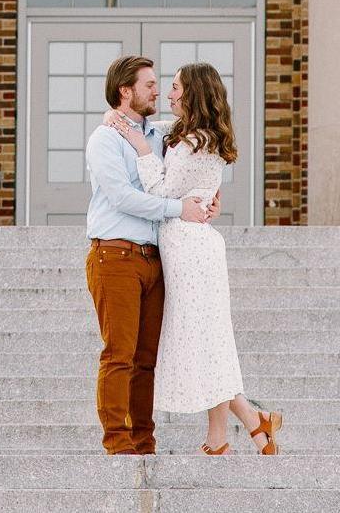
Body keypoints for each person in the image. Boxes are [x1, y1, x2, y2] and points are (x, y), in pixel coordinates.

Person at [105, 62, 283, 456]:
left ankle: (250, 424)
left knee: (203, 340)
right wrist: (118, 117)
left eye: (174, 88)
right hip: (195, 244)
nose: (168, 95)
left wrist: (139, 148)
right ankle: (235, 432)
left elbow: (160, 190)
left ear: (193, 94)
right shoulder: (201, 136)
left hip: (187, 248)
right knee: (209, 340)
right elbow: (165, 130)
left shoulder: (190, 145)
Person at [84, 55, 216, 456]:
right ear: (126, 91)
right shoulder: (103, 140)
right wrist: (181, 209)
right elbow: (124, 197)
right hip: (115, 256)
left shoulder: (160, 135)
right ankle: (117, 442)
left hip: (156, 259)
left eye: (161, 85)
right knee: (119, 353)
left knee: (146, 359)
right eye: (150, 85)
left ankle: (143, 440)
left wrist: (208, 195)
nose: (158, 91)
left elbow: (201, 139)